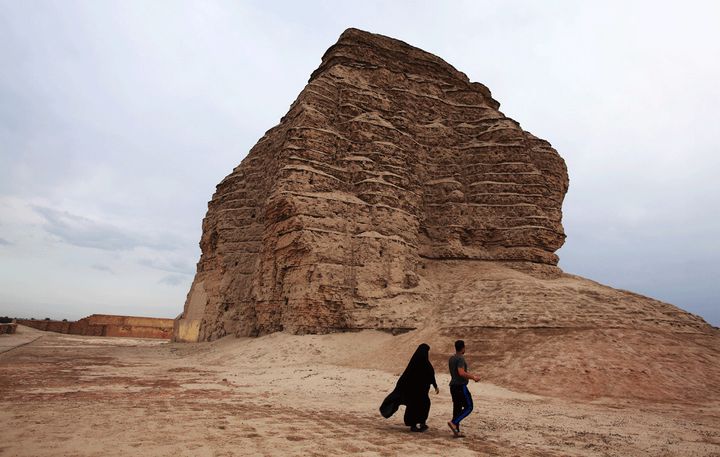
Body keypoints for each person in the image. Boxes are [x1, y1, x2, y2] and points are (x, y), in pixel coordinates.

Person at [379, 343, 439, 432]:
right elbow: (431, 376)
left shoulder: (414, 363)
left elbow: (405, 378)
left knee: (419, 406)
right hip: (418, 392)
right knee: (421, 406)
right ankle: (417, 424)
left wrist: (435, 385)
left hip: (418, 392)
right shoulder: (425, 364)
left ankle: (418, 424)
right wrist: (435, 386)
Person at [447, 339, 480, 437]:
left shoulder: (451, 358)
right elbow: (461, 372)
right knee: (469, 407)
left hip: (453, 386)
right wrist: (473, 377)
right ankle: (454, 422)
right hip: (460, 386)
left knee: (457, 408)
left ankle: (456, 430)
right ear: (463, 348)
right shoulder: (460, 358)